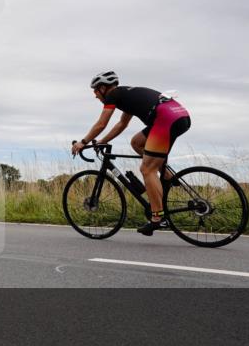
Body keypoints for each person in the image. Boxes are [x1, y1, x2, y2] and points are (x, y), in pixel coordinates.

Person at [72, 71, 191, 236]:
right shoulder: (126, 95)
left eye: (95, 91)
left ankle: (158, 218)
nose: (95, 95)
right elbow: (121, 124)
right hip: (178, 115)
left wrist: (83, 142)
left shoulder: (113, 96)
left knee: (147, 169)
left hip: (165, 119)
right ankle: (167, 176)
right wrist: (101, 141)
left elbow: (101, 123)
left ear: (103, 88)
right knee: (137, 142)